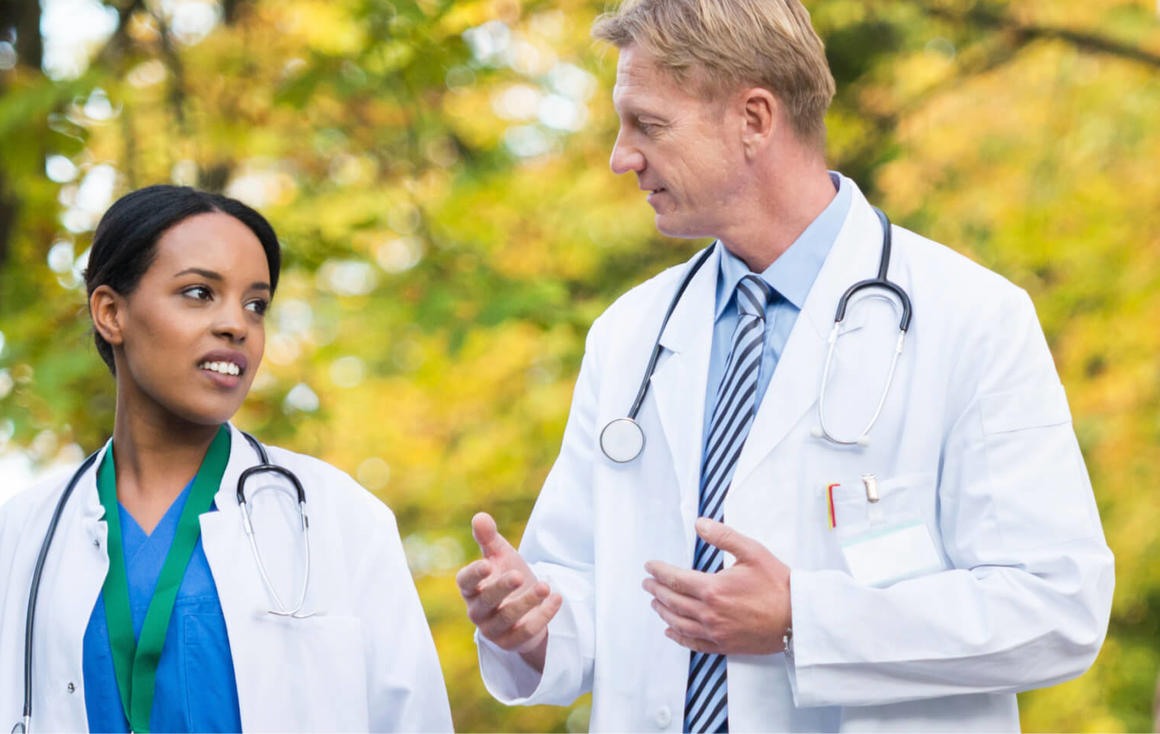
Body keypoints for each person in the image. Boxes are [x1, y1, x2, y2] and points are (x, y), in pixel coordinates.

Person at [456, 0, 1113, 731]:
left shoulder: (972, 318)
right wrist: (530, 621)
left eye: (648, 124)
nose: (622, 157)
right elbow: (583, 595)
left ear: (755, 119)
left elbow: (1058, 608)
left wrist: (807, 619)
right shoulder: (629, 335)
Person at [0, 185, 453, 732]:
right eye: (200, 293)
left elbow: (414, 718)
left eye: (256, 304)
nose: (237, 325)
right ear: (110, 313)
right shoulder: (14, 541)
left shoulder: (339, 517)